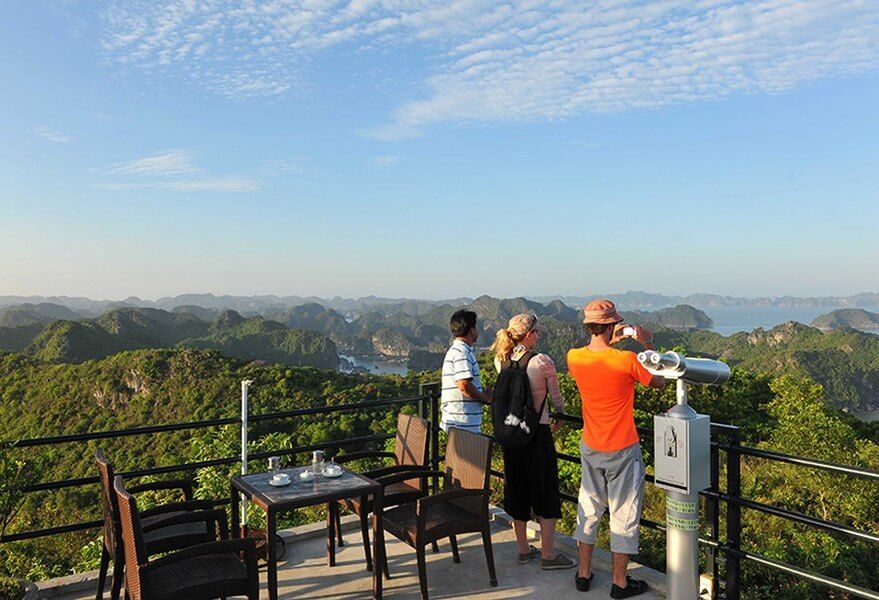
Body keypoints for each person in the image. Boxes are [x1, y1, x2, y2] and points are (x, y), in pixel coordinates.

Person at [567, 299, 666, 598]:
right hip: (622, 447)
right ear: (611, 325)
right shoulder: (625, 361)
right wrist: (646, 343)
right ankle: (620, 582)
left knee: (589, 508)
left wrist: (615, 338)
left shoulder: (574, 358)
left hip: (591, 444)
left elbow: (598, 356)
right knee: (623, 514)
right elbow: (657, 382)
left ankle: (584, 574)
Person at [491, 313, 574, 570]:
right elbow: (557, 397)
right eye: (537, 332)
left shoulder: (500, 360)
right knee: (544, 489)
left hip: (511, 434)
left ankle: (523, 550)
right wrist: (558, 414)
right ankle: (548, 554)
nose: (539, 336)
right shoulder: (541, 361)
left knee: (516, 488)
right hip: (537, 433)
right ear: (529, 335)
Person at [440, 309, 491, 433]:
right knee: (469, 453)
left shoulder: (457, 350)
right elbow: (464, 385)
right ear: (472, 330)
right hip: (462, 422)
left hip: (458, 421)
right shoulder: (462, 352)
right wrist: (485, 398)